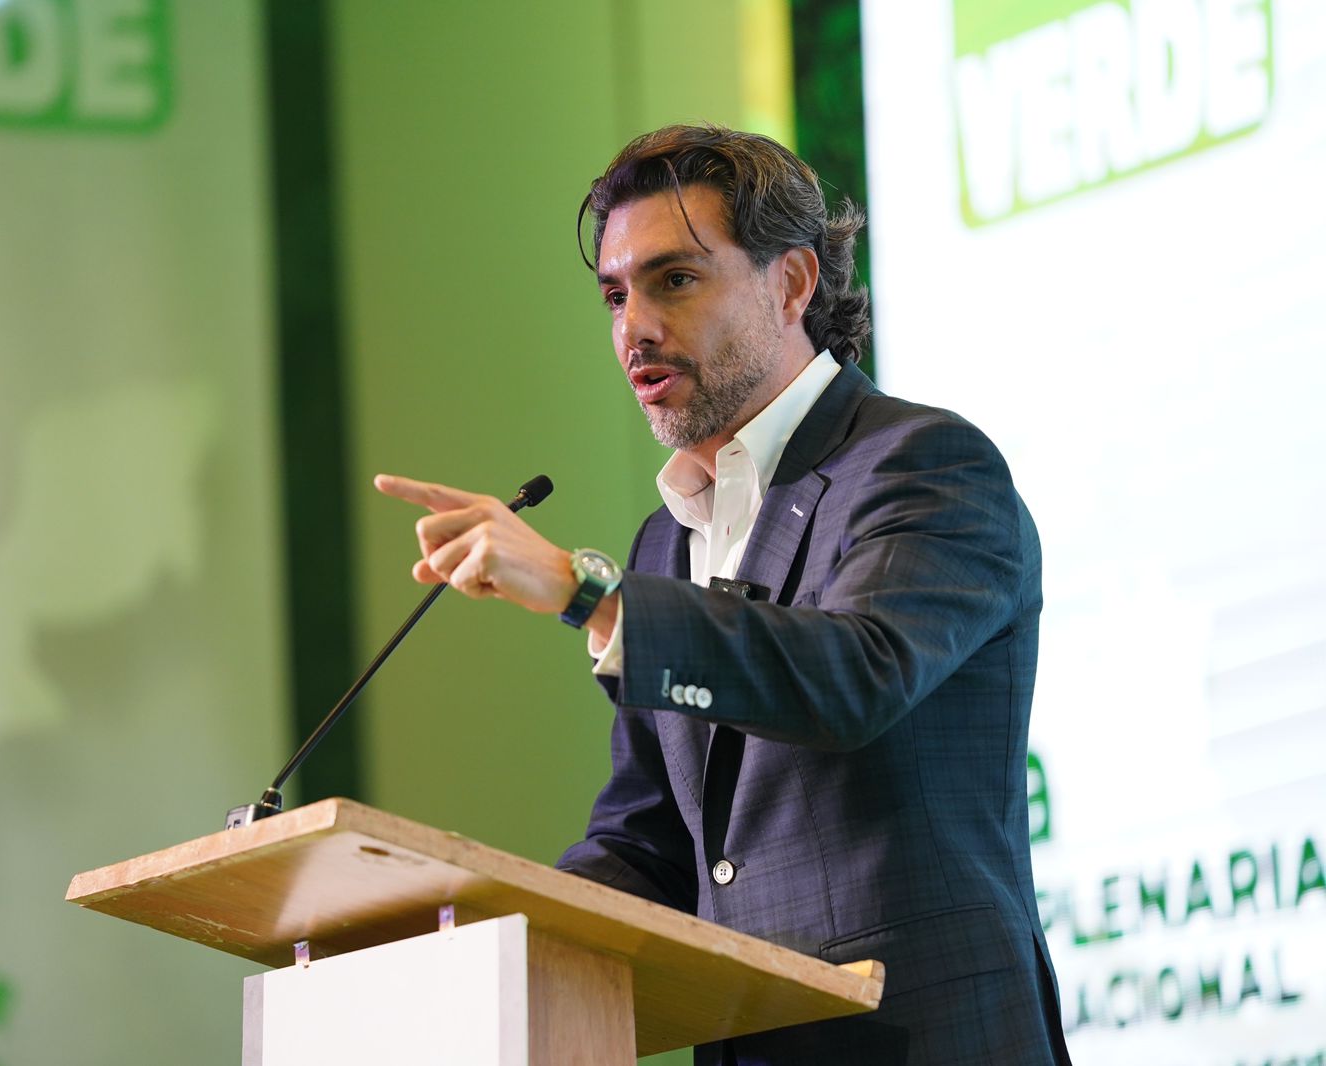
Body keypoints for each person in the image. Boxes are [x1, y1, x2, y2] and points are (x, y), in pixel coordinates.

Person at [375, 124, 1070, 1065]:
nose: (634, 327)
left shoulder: (921, 464)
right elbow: (652, 844)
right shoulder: (666, 543)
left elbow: (852, 676)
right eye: (614, 294)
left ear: (792, 284)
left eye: (674, 279)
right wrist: (489, 938)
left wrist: (585, 592)